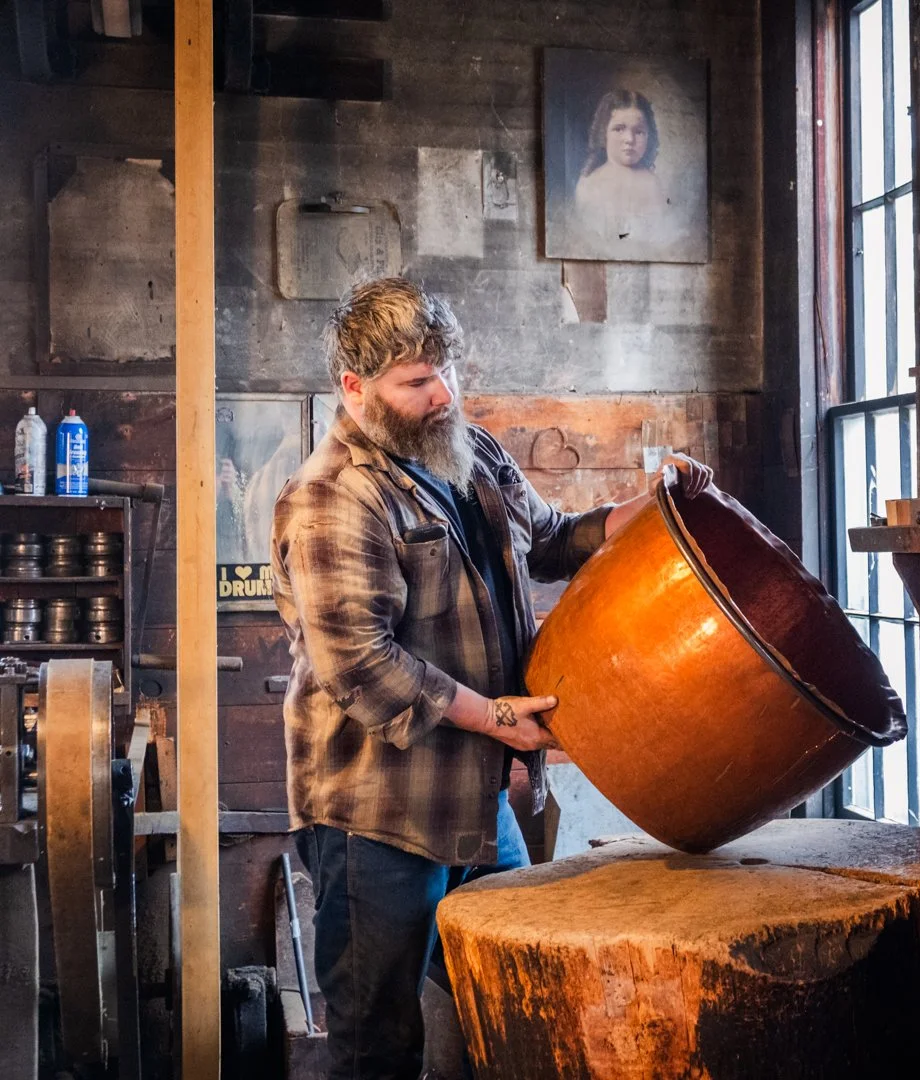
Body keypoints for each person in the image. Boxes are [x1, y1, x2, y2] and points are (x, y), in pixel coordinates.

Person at [270, 276, 712, 1079]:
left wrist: (652, 504)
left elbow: (550, 541)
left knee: (500, 999)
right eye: (415, 382)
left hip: (473, 801)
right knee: (378, 1047)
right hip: (377, 815)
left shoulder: (470, 455)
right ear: (355, 389)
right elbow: (361, 667)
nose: (442, 395)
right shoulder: (334, 497)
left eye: (446, 372)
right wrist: (496, 719)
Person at [572, 88, 678, 249]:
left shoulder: (654, 185)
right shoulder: (589, 185)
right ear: (604, 133)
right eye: (619, 129)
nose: (629, 139)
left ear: (649, 136)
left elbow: (661, 238)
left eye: (639, 132)